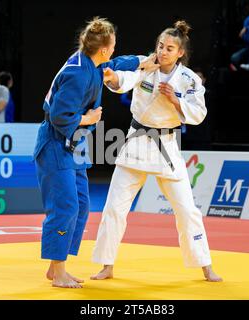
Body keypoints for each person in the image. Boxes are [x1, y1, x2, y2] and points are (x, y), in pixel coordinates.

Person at [91, 21, 223, 283]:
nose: (162, 52)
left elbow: (199, 114)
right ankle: (107, 265)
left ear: (180, 53)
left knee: (187, 210)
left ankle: (205, 265)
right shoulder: (145, 63)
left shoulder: (188, 79)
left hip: (167, 147)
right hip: (137, 142)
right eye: (160, 46)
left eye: (169, 48)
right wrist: (112, 77)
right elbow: (124, 81)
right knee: (114, 208)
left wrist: (176, 100)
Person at [33, 17, 158, 289]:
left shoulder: (89, 62)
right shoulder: (79, 74)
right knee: (65, 206)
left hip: (74, 146)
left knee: (81, 205)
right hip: (56, 143)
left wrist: (142, 61)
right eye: (112, 46)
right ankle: (59, 271)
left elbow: (114, 64)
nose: (113, 50)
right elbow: (59, 116)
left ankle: (56, 268)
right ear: (103, 48)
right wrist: (87, 120)